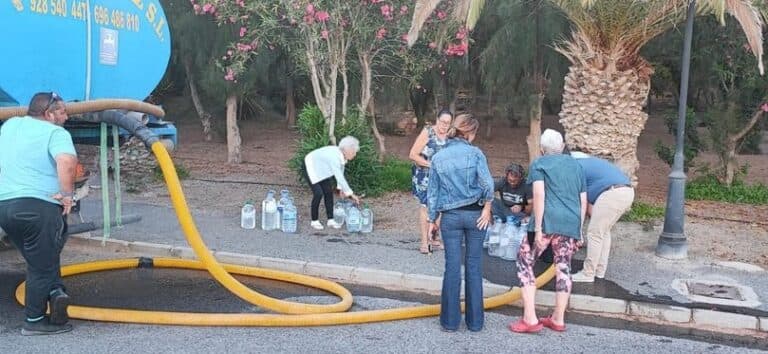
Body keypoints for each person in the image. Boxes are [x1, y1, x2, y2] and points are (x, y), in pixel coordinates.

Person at [0, 92, 78, 335]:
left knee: (43, 254)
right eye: (62, 111)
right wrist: (67, 195)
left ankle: (55, 293)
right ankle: (34, 322)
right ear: (48, 114)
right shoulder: (56, 133)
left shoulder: (11, 125)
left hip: (5, 206)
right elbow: (66, 162)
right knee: (40, 267)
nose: (66, 116)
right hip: (37, 208)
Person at [511, 129, 586, 334]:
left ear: (542, 150)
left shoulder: (539, 163)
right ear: (562, 147)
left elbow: (539, 194)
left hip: (546, 222)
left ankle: (530, 319)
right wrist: (579, 230)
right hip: (570, 224)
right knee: (563, 267)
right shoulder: (577, 166)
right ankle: (558, 319)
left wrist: (537, 228)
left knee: (524, 261)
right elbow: (582, 199)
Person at [426, 113, 494, 332]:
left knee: (452, 268)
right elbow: (488, 185)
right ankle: (475, 323)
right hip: (476, 217)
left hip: (451, 218)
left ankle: (450, 321)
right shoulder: (475, 154)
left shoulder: (438, 157)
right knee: (474, 267)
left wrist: (432, 220)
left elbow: (433, 193)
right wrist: (487, 207)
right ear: (471, 133)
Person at [569, 151, 635, 282]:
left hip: (612, 193)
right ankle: (599, 271)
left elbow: (583, 203)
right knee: (603, 232)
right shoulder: (592, 164)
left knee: (594, 233)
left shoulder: (576, 167)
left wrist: (578, 232)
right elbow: (590, 206)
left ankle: (588, 273)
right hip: (626, 192)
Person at [409, 109, 453, 254]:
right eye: (442, 122)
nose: (444, 125)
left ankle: (433, 237)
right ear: (437, 120)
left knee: (440, 208)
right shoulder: (428, 132)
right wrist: (432, 165)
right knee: (426, 207)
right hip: (425, 175)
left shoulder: (450, 136)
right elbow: (413, 154)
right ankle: (424, 242)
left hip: (443, 177)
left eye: (448, 123)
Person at [303, 136, 361, 230]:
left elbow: (341, 170)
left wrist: (340, 188)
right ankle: (314, 221)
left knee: (328, 192)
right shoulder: (335, 157)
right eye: (354, 152)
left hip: (321, 168)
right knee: (318, 193)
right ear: (348, 150)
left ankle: (330, 220)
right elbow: (339, 176)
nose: (355, 155)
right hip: (310, 166)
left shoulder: (341, 155)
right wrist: (351, 194)